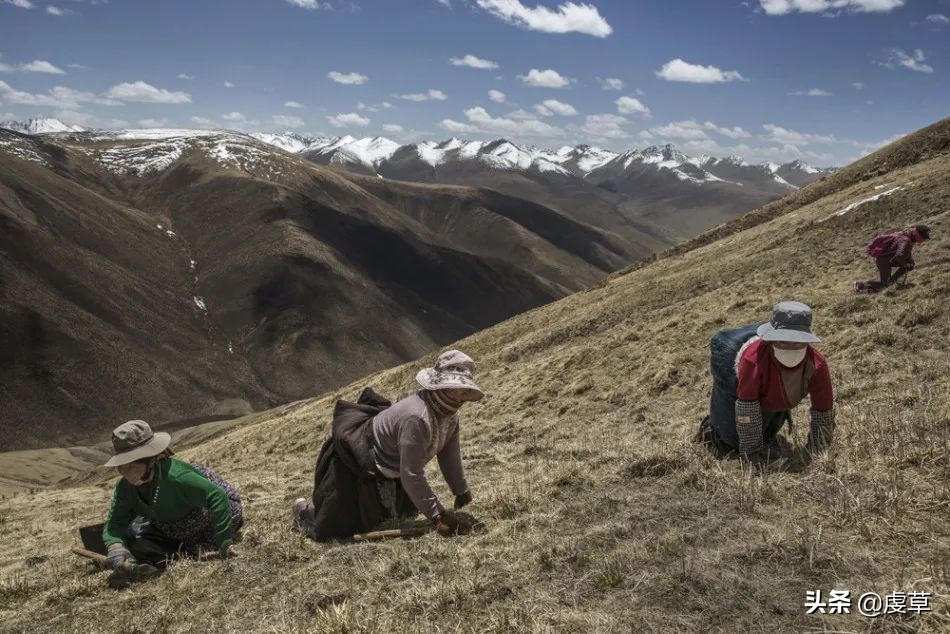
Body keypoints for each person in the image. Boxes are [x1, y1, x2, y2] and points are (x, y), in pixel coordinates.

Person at [293, 350, 483, 541]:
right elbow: (411, 473)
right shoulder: (416, 418)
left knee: (392, 517)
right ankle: (302, 514)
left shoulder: (449, 417)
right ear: (442, 386)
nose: (464, 394)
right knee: (335, 529)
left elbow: (449, 455)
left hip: (391, 469)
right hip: (357, 462)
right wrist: (438, 516)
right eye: (457, 386)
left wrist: (461, 491)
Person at [96, 420, 242, 588]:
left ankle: (180, 551)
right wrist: (115, 547)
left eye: (131, 466)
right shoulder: (125, 488)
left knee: (194, 549)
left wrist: (224, 543)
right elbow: (115, 523)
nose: (125, 473)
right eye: (121, 467)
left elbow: (217, 497)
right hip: (170, 523)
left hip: (209, 516)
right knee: (135, 531)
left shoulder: (177, 477)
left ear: (150, 461)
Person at [698, 301, 836, 459]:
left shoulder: (817, 365)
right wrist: (752, 453)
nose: (790, 347)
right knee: (730, 442)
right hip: (736, 380)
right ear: (772, 340)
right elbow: (748, 408)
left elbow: (823, 410)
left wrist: (818, 450)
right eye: (783, 341)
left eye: (797, 342)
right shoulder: (753, 361)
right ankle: (711, 428)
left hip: (777, 392)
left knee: (768, 433)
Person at [854, 225, 930, 293]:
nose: (924, 240)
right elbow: (899, 256)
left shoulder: (906, 236)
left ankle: (890, 282)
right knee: (885, 285)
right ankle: (860, 285)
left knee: (910, 265)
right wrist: (906, 265)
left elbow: (904, 253)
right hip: (884, 261)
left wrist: (910, 263)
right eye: (923, 237)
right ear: (917, 234)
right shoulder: (906, 241)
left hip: (886, 260)